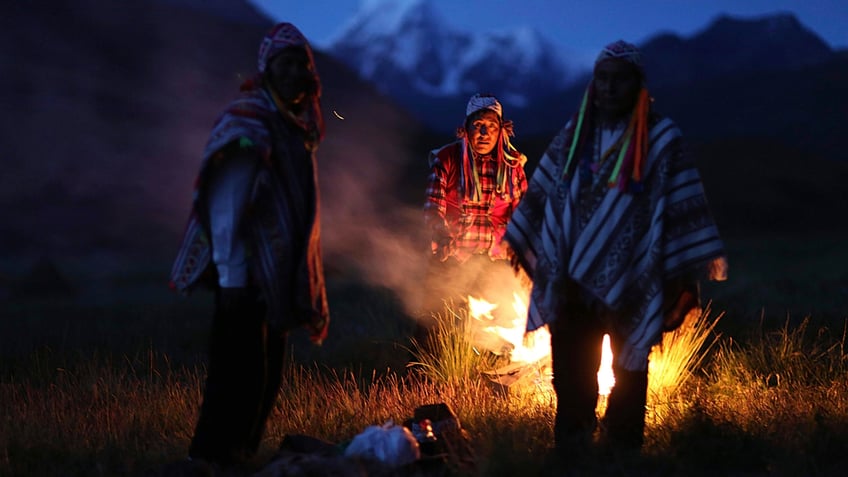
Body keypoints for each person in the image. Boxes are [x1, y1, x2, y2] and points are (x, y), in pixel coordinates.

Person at [504, 40, 728, 460]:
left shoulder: (662, 138)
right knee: (571, 378)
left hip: (638, 280)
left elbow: (682, 204)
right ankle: (573, 452)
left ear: (637, 85)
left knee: (628, 375)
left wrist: (675, 274)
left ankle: (622, 455)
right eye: (602, 79)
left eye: (618, 80)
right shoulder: (575, 134)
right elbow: (545, 196)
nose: (608, 88)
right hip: (571, 282)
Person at [169, 22, 329, 468]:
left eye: (302, 64)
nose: (296, 73)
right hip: (243, 274)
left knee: (265, 375)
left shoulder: (293, 125)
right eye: (287, 64)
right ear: (268, 69)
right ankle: (210, 459)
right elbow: (227, 207)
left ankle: (240, 456)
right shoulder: (250, 120)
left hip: (272, 277)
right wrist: (233, 278)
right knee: (236, 376)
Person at [421, 93, 529, 325]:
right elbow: (433, 207)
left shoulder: (512, 166)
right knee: (435, 322)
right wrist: (441, 232)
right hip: (451, 254)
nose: (483, 133)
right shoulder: (447, 159)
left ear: (501, 130)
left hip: (496, 259)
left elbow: (523, 215)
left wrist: (521, 253)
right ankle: (427, 360)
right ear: (466, 129)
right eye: (478, 125)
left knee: (499, 325)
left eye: (491, 126)